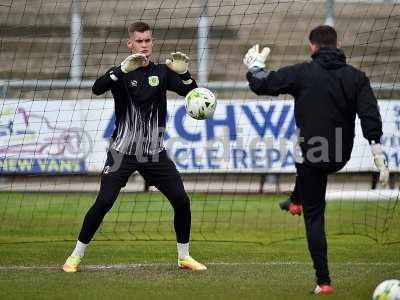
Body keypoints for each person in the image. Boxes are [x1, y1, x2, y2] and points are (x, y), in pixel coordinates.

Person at [243, 25, 389, 295]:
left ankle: (323, 281)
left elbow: (263, 85)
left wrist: (255, 67)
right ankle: (295, 200)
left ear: (312, 47)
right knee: (307, 161)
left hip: (311, 155)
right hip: (339, 155)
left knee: (314, 213)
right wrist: (377, 151)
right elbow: (370, 113)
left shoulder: (303, 72)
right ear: (337, 44)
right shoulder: (356, 77)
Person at [63, 21, 206, 272]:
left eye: (147, 40)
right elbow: (97, 89)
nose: (144, 45)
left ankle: (184, 256)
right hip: (122, 153)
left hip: (153, 153)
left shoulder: (162, 72)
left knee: (181, 201)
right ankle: (75, 255)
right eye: (139, 41)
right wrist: (119, 70)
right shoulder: (122, 73)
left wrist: (184, 74)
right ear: (130, 44)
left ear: (152, 42)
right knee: (104, 202)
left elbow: (192, 94)